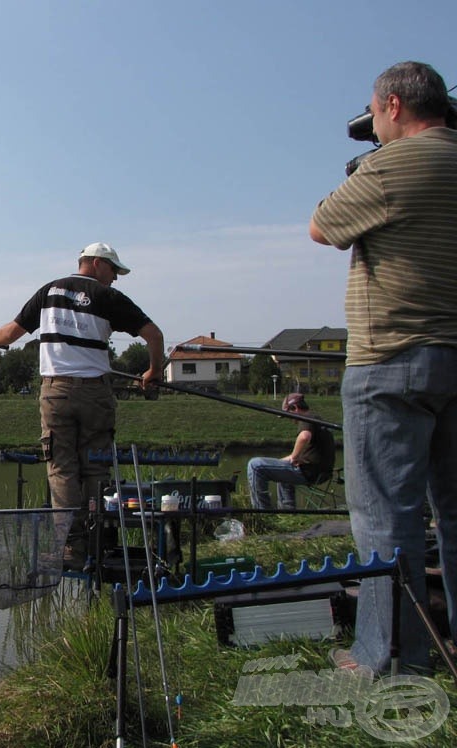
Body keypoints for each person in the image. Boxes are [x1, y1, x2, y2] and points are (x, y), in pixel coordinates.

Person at [309, 61, 457, 674]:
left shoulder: (391, 164)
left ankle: (390, 662)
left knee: (384, 519)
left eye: (373, 112)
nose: (371, 121)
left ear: (394, 106)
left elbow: (322, 225)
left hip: (391, 361)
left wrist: (366, 166)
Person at [0, 242, 164, 562]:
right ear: (96, 264)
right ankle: (96, 539)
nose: (115, 278)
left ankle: (72, 547)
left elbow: (10, 334)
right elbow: (154, 335)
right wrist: (153, 371)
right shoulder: (108, 298)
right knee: (94, 468)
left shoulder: (49, 292)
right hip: (96, 395)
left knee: (61, 468)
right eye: (114, 270)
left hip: (57, 394)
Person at [247, 393, 335, 510]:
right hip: (320, 472)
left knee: (255, 465)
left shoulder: (306, 418)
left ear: (295, 408)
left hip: (309, 471)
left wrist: (294, 457)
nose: (289, 419)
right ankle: (287, 511)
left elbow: (304, 436)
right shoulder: (317, 420)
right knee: (282, 467)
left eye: (288, 414)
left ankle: (261, 512)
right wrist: (280, 462)